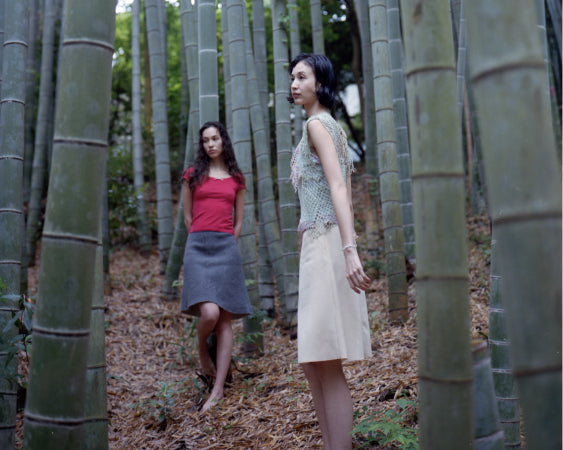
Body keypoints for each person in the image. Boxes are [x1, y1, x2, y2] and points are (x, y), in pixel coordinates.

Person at [288, 53, 373, 449]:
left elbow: (340, 188)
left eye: (302, 76)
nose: (294, 83)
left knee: (325, 360)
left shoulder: (317, 125)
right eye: (292, 77)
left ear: (320, 83)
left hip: (327, 245)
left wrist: (348, 249)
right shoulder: (331, 127)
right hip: (319, 244)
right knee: (313, 361)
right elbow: (336, 192)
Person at [180, 121, 252, 414]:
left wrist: (228, 242)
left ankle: (218, 389)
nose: (210, 144)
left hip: (226, 248)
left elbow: (239, 221)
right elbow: (187, 217)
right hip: (198, 247)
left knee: (224, 321)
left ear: (224, 141)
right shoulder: (192, 175)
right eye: (206, 140)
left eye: (215, 139)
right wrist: (200, 238)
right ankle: (201, 350)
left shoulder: (237, 178)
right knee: (209, 313)